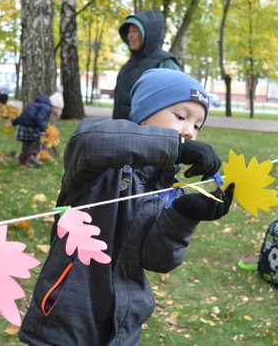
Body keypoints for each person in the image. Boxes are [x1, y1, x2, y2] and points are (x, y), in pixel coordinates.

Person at [19, 69, 235, 345]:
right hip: (66, 321)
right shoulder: (101, 167)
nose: (189, 131)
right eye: (181, 117)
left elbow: (157, 260)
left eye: (197, 125)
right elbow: (87, 140)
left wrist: (184, 215)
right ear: (144, 114)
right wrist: (172, 146)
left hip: (123, 328)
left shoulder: (169, 188)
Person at [112, 9, 181, 120]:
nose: (130, 36)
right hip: (122, 133)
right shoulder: (129, 65)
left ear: (148, 34)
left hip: (147, 135)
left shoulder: (165, 62)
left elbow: (177, 105)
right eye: (129, 31)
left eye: (135, 31)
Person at [5, 92, 64, 167]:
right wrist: (44, 129)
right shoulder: (47, 108)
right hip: (31, 126)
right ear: (55, 106)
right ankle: (31, 157)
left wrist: (13, 122)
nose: (56, 112)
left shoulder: (37, 104)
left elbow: (24, 116)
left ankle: (23, 160)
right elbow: (39, 119)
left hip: (24, 125)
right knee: (36, 141)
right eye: (57, 109)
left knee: (27, 143)